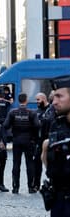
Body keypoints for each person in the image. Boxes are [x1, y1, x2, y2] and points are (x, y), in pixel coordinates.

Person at [41, 75, 70, 216]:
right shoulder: (56, 125)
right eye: (54, 97)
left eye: (59, 96)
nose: (54, 102)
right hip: (59, 202)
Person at [3, 93, 39, 194]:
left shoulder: (12, 112)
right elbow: (37, 125)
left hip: (17, 140)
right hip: (29, 141)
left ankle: (15, 187)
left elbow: (5, 125)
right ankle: (30, 187)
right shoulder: (32, 113)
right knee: (30, 163)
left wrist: (11, 134)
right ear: (26, 100)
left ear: (18, 101)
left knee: (16, 164)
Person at [33, 92, 55, 191]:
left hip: (49, 139)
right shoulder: (37, 111)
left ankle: (52, 182)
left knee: (50, 162)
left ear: (44, 99)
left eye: (38, 100)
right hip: (39, 140)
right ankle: (36, 184)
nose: (37, 102)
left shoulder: (51, 110)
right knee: (36, 163)